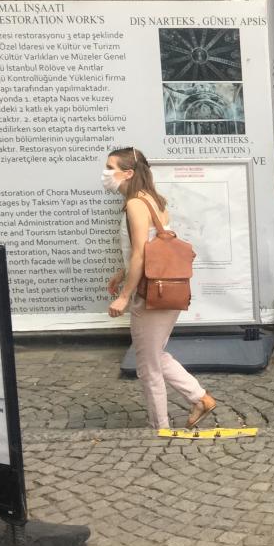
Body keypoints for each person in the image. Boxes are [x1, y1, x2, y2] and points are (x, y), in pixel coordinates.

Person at [103, 147, 217, 430]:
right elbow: (150, 249)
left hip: (149, 293)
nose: (105, 173)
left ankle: (161, 426)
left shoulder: (135, 204)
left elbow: (141, 254)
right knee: (153, 355)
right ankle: (200, 398)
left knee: (148, 364)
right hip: (165, 288)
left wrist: (124, 296)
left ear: (128, 173)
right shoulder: (152, 200)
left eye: (110, 167)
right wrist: (122, 273)